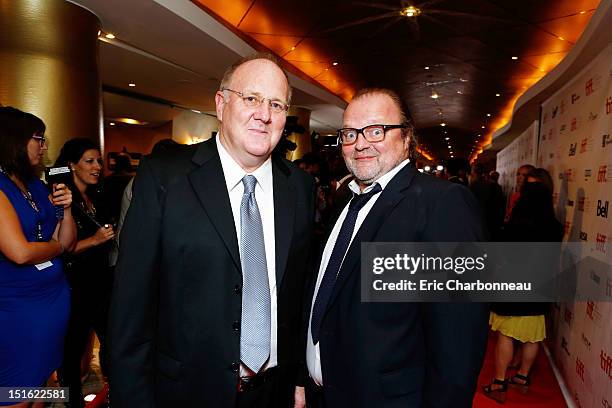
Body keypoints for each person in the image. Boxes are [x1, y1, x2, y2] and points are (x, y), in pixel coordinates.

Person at [109, 53, 315, 408]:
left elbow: (298, 294)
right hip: (186, 392)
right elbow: (130, 308)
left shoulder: (299, 188)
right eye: (251, 98)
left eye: (277, 104)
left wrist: (298, 380)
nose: (264, 114)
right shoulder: (165, 179)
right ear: (221, 104)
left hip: (273, 393)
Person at [304, 88, 489, 407]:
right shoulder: (344, 201)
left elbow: (458, 343)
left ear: (406, 138)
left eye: (376, 130)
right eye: (350, 133)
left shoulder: (442, 205)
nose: (360, 143)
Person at [0, 107, 76, 396]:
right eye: (38, 139)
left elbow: (66, 240)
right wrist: (56, 248)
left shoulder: (35, 184)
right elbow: (19, 252)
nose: (44, 146)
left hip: (52, 300)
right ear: (14, 140)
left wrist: (66, 210)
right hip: (17, 308)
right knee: (14, 393)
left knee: (40, 389)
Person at [484, 168, 562, 403]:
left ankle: (499, 381)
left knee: (506, 335)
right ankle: (522, 377)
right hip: (540, 284)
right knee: (533, 336)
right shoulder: (555, 226)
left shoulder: (516, 224)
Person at [54, 138, 115, 408]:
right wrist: (96, 240)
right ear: (71, 165)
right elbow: (60, 248)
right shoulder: (61, 200)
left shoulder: (96, 196)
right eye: (89, 161)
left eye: (99, 161)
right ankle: (72, 402)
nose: (97, 166)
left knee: (112, 343)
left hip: (100, 284)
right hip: (74, 287)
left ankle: (114, 393)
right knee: (72, 350)